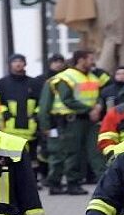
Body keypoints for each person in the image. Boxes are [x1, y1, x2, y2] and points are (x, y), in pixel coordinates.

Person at [40, 49, 104, 195]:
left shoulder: (93, 77)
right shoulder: (66, 77)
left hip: (87, 120)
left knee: (87, 152)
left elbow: (98, 96)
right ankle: (69, 183)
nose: (93, 62)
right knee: (70, 152)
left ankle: (74, 182)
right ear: (80, 60)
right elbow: (67, 100)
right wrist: (90, 110)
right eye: (90, 58)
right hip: (70, 121)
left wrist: (98, 106)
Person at [0, 53, 43, 150]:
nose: (18, 64)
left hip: (31, 129)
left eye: (20, 61)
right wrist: (5, 113)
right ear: (10, 64)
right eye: (15, 61)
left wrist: (36, 115)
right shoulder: (2, 83)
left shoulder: (34, 83)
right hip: (9, 128)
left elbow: (41, 102)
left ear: (25, 64)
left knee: (31, 160)